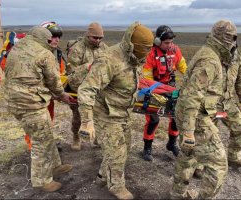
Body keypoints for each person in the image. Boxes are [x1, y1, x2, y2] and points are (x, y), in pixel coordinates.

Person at [77, 22, 154, 199]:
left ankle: (103, 176)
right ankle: (116, 186)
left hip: (124, 113)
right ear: (131, 45)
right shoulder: (109, 60)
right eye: (143, 49)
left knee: (123, 147)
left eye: (148, 50)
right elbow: (87, 89)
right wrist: (87, 121)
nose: (146, 54)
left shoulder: (135, 58)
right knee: (117, 152)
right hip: (106, 113)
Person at [170, 19, 238, 199]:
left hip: (192, 115)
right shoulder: (210, 60)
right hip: (197, 119)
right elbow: (193, 96)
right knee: (219, 164)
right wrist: (190, 131)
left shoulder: (210, 54)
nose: (233, 42)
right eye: (231, 38)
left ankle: (177, 194)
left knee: (188, 156)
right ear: (224, 38)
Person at [3, 26, 73, 192]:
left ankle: (55, 165)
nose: (52, 43)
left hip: (15, 101)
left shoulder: (17, 49)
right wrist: (62, 95)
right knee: (41, 141)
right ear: (44, 39)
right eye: (49, 40)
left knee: (46, 133)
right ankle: (42, 180)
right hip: (31, 104)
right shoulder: (44, 54)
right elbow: (54, 82)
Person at [141, 25, 187, 161]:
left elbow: (183, 67)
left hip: (170, 89)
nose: (170, 45)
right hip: (153, 89)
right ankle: (147, 148)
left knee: (175, 117)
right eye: (167, 43)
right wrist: (159, 90)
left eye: (171, 42)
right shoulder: (150, 54)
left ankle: (172, 144)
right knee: (153, 119)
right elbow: (147, 77)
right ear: (157, 41)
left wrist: (192, 78)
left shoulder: (175, 51)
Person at [66, 22, 108, 150]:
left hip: (98, 89)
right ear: (88, 35)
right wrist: (88, 67)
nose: (98, 40)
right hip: (79, 88)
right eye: (95, 38)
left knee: (99, 116)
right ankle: (76, 137)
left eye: (101, 38)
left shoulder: (104, 48)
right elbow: (72, 76)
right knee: (79, 116)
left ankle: (96, 137)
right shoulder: (77, 50)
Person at [40, 21, 67, 151]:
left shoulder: (56, 53)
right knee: (37, 124)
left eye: (58, 37)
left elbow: (59, 73)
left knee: (49, 119)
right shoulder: (35, 54)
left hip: (49, 96)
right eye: (53, 36)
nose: (56, 40)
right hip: (36, 97)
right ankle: (36, 148)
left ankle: (48, 145)